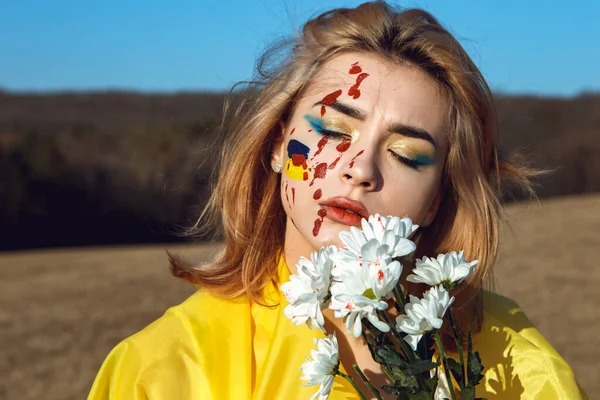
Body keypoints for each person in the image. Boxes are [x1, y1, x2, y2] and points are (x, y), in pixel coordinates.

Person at [88, 2, 588, 399]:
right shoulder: (163, 370)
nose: (359, 168)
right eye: (332, 128)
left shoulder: (513, 363)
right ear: (279, 145)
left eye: (406, 154)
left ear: (438, 199)